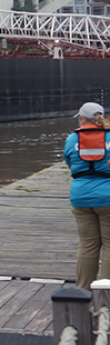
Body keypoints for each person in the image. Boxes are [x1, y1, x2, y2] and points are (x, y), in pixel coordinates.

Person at [66, 102, 110, 289]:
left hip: (80, 198)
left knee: (87, 245)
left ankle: (83, 291)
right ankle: (107, 294)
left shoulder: (71, 139)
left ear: (82, 119)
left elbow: (71, 165)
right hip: (107, 198)